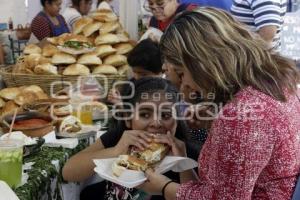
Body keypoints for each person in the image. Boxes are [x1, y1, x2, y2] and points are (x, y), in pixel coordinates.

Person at [138, 7, 300, 199]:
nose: (186, 86)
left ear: (204, 63)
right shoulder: (276, 81)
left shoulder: (242, 117)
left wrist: (164, 188)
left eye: (182, 74)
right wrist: (213, 123)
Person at [62, 77, 189, 200]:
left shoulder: (186, 153)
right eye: (145, 114)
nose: (156, 123)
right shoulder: (121, 138)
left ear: (177, 121)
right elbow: (68, 172)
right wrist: (116, 151)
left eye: (166, 115)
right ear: (129, 119)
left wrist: (184, 163)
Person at [107, 38, 163, 105]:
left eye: (143, 74)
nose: (136, 77)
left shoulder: (166, 93)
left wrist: (121, 105)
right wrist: (118, 100)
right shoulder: (130, 87)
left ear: (160, 72)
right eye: (134, 72)